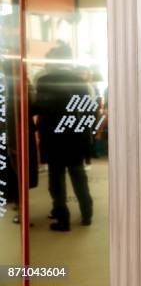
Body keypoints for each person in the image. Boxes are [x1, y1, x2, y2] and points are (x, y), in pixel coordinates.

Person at [33, 45, 93, 231]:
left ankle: (63, 219)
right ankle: (86, 214)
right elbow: (87, 110)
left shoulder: (44, 81)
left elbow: (41, 107)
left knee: (56, 179)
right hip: (75, 136)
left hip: (53, 138)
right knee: (78, 176)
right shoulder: (79, 81)